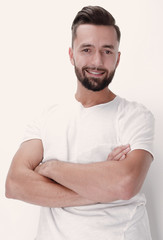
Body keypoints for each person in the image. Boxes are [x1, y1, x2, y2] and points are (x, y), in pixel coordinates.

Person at [6, 6, 154, 240]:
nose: (97, 61)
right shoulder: (45, 119)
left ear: (118, 57)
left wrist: (51, 168)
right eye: (87, 49)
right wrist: (102, 188)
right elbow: (15, 185)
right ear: (71, 54)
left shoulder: (135, 116)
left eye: (107, 51)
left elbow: (125, 184)